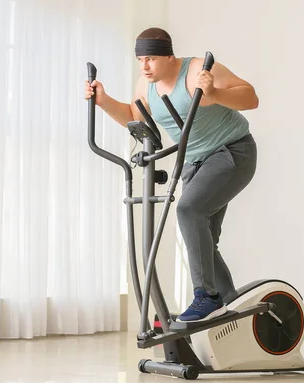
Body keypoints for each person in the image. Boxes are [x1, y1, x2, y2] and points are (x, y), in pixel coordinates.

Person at [84, 27, 259, 322]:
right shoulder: (146, 85)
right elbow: (133, 116)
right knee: (203, 237)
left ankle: (208, 296)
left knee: (189, 211)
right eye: (140, 60)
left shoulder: (197, 71)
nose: (144, 66)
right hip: (196, 161)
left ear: (169, 56)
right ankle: (228, 306)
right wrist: (103, 101)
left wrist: (214, 93)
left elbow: (250, 98)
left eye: (150, 58)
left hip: (233, 151)